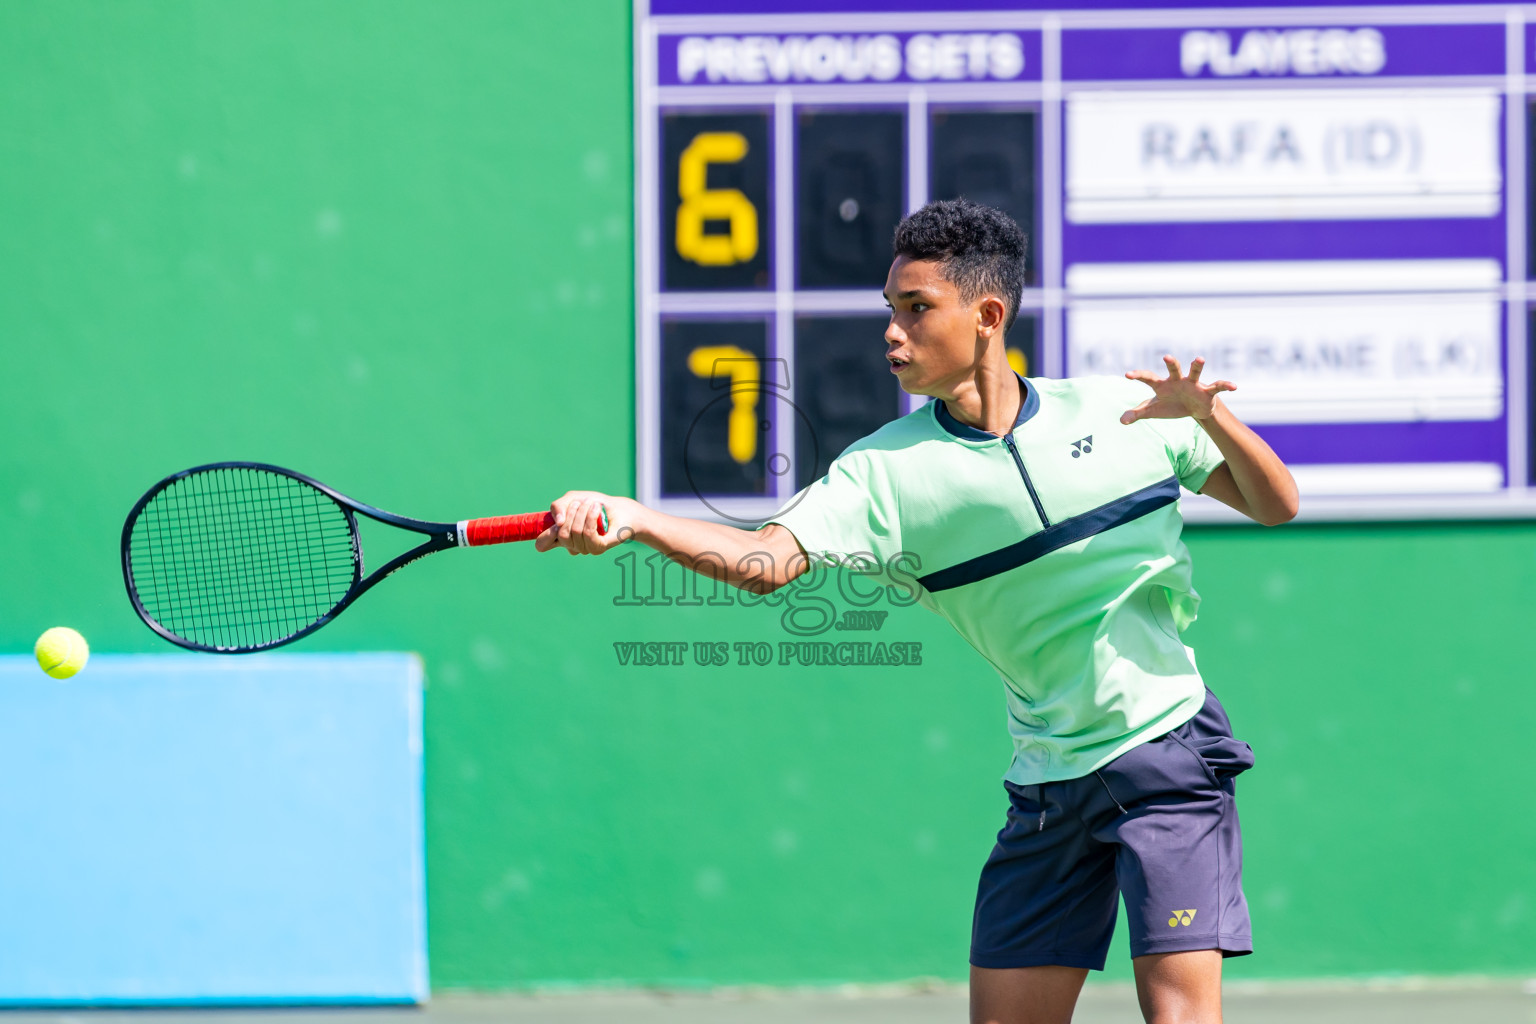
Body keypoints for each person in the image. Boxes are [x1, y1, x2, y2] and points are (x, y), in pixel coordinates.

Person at [537, 199, 1298, 1024]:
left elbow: (1276, 503)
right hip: (1048, 786)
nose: (892, 334)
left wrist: (1208, 415)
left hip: (1167, 761)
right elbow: (764, 563)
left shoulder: (1124, 415)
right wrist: (637, 518)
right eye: (890, 312)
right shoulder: (883, 474)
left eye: (916, 310)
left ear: (988, 316)